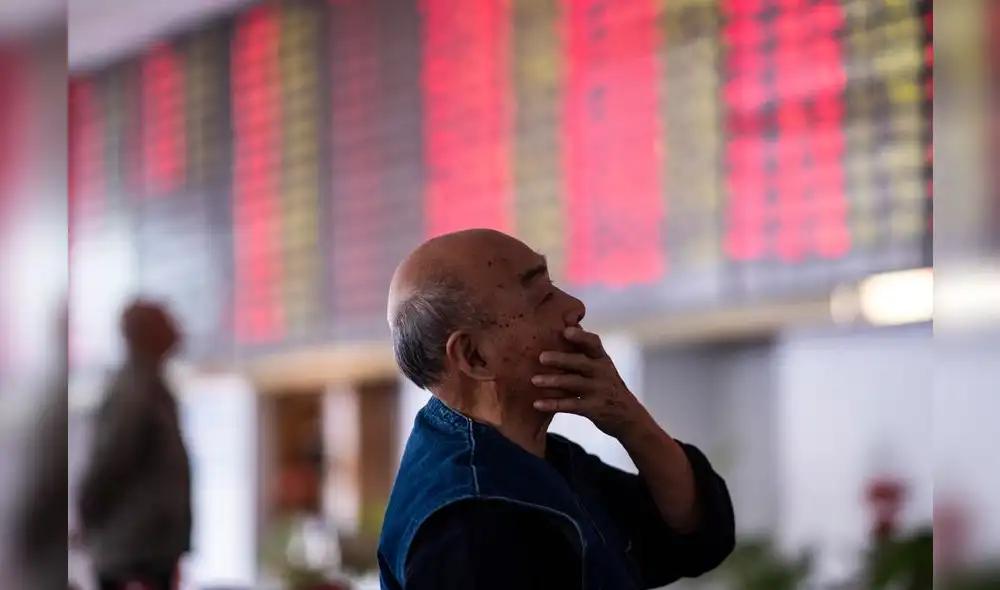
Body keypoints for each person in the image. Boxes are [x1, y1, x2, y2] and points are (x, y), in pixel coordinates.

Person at [377, 229, 736, 590]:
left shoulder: (530, 458)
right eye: (542, 297)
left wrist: (631, 422)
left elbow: (695, 540)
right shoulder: (469, 521)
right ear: (474, 356)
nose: (575, 307)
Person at [78, 300, 191, 590]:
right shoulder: (134, 393)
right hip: (133, 556)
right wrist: (87, 519)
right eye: (167, 322)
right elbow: (107, 466)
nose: (178, 331)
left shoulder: (153, 388)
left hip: (151, 552)